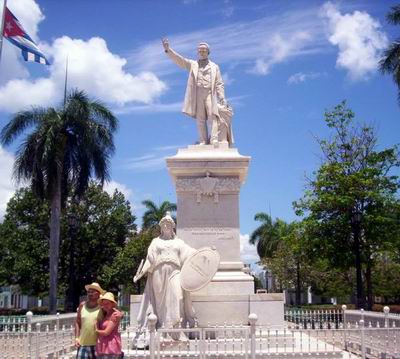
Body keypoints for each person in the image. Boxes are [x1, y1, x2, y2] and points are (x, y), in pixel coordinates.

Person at [134, 212, 196, 341]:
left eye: (169, 224)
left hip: (175, 271)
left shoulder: (179, 242)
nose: (166, 226)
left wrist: (203, 254)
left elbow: (190, 254)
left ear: (173, 227)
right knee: (160, 302)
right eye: (164, 224)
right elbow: (150, 258)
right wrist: (141, 273)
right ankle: (162, 329)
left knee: (178, 297)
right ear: (161, 227)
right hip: (158, 272)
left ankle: (176, 330)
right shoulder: (155, 242)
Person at [162, 38, 229, 145]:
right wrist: (168, 50)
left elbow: (219, 83)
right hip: (197, 93)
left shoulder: (214, 67)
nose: (201, 52)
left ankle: (214, 139)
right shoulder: (193, 64)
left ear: (208, 52)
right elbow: (180, 60)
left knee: (212, 115)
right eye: (200, 51)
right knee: (200, 118)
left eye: (203, 50)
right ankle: (203, 140)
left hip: (209, 93)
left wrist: (221, 97)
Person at [75, 282, 106, 359]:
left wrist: (120, 314)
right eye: (89, 292)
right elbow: (77, 322)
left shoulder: (102, 307)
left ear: (98, 294)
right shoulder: (82, 305)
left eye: (93, 292)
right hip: (83, 344)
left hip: (98, 345)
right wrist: (76, 338)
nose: (90, 294)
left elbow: (114, 313)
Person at [95, 292, 123, 359]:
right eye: (103, 304)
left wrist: (95, 329)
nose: (105, 305)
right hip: (104, 346)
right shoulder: (105, 314)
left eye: (107, 303)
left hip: (111, 347)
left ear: (112, 304)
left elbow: (106, 332)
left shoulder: (114, 315)